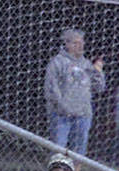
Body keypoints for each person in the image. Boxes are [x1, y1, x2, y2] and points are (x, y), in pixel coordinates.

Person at [44, 28, 105, 158]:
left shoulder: (87, 64)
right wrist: (63, 107)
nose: (80, 46)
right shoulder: (58, 62)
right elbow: (51, 89)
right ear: (67, 44)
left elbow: (99, 88)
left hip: (83, 115)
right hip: (62, 115)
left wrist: (98, 71)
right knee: (58, 149)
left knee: (79, 150)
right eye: (76, 43)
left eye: (81, 42)